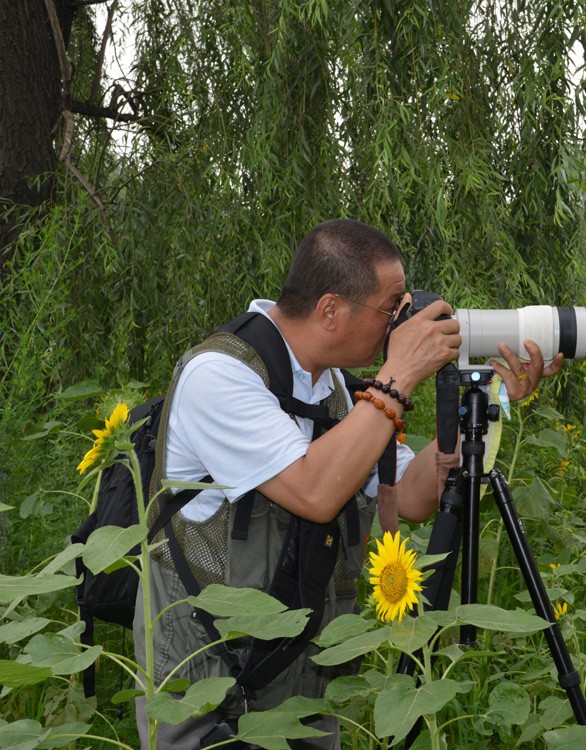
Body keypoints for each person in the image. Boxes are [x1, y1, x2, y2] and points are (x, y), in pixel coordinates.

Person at [133, 218, 563, 749]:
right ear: (330, 309)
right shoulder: (218, 376)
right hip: (208, 662)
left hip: (300, 662)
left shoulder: (332, 384)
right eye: (391, 308)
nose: (399, 324)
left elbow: (411, 495)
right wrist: (399, 376)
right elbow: (316, 492)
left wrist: (490, 400)